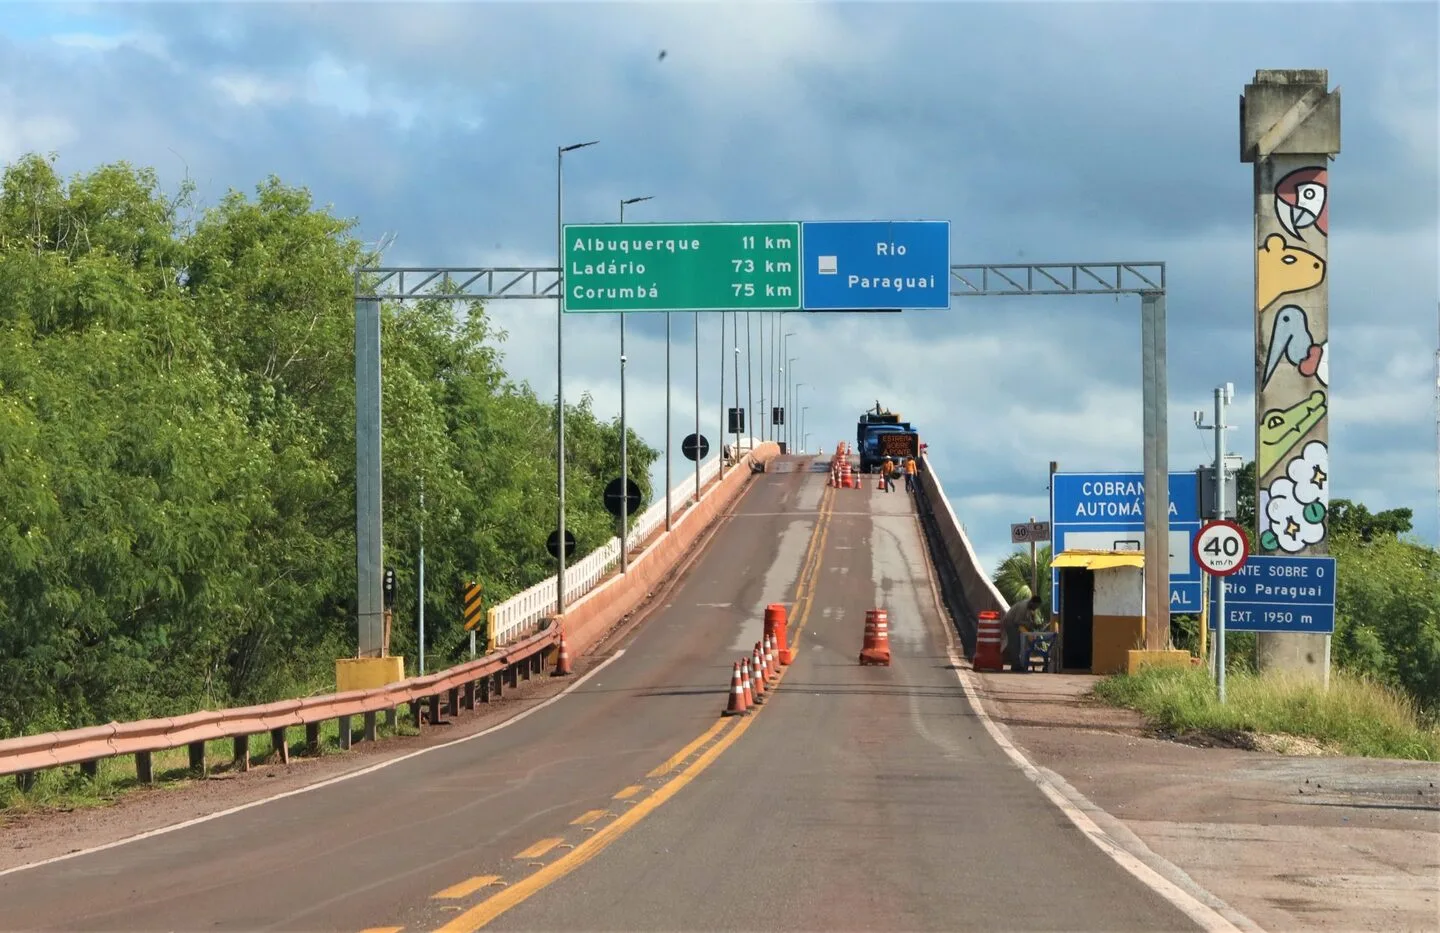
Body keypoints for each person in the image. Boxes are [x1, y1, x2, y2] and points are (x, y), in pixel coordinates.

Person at [1000, 595, 1042, 672]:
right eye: (1035, 606)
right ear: (1032, 603)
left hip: (1015, 624)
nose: (1036, 608)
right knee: (1015, 644)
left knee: (1018, 644)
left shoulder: (1029, 607)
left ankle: (1014, 663)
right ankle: (1016, 666)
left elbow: (1026, 621)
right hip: (1010, 623)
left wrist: (1033, 624)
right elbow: (1017, 621)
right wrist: (1028, 624)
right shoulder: (1023, 607)